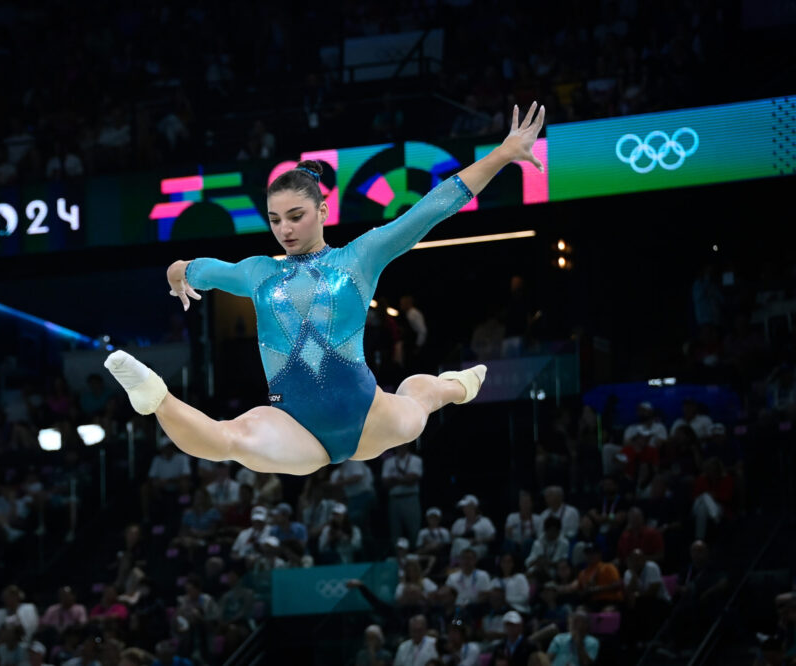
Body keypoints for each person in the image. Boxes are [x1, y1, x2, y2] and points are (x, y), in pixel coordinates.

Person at [104, 103, 547, 475]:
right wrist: (175, 273)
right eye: (276, 220)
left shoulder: (359, 257)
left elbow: (430, 210)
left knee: (421, 401)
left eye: (296, 216)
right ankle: (154, 397)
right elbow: (197, 268)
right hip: (295, 428)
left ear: (322, 208)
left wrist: (504, 154)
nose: (285, 229)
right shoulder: (258, 273)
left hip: (370, 416)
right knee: (228, 440)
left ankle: (456, 386)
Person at [384, 444, 424, 549]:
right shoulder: (389, 462)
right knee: (395, 530)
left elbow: (414, 478)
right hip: (394, 499)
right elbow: (385, 482)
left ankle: (415, 555)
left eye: (403, 445)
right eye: (398, 446)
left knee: (414, 529)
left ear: (407, 446)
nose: (401, 447)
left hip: (411, 498)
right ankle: (398, 558)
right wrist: (405, 479)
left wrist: (395, 480)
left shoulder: (416, 460)